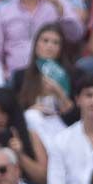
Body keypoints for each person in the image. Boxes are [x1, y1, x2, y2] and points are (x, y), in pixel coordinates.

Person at [14, 23, 79, 152]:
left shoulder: (74, 75)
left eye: (56, 43)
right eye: (45, 41)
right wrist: (30, 108)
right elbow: (14, 112)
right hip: (34, 131)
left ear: (61, 48)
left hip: (64, 127)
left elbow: (76, 118)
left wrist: (59, 92)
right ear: (36, 45)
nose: (50, 46)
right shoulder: (21, 76)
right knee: (31, 115)